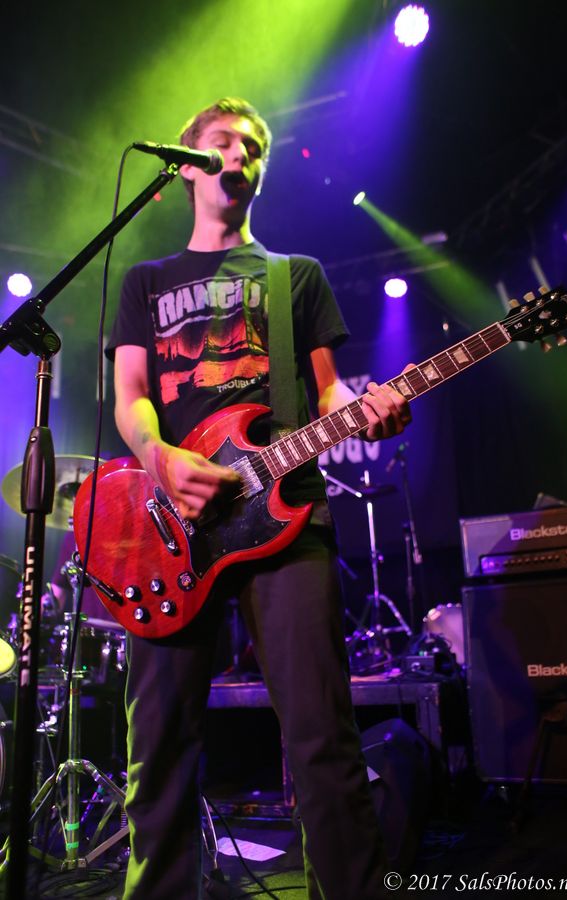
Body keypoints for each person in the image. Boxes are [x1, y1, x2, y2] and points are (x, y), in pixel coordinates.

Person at [106, 97, 412, 900]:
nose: (237, 155)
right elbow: (131, 396)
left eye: (251, 147)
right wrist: (160, 458)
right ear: (189, 165)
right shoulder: (146, 281)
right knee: (158, 750)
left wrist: (370, 408)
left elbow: (329, 393)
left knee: (322, 740)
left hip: (289, 517)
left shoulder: (295, 276)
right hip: (174, 529)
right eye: (221, 144)